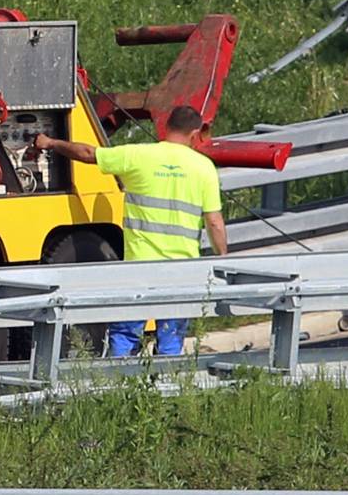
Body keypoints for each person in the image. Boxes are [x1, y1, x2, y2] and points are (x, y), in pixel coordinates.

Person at [45, 102, 226, 359]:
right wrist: (223, 259)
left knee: (126, 332)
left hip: (139, 267)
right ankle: (167, 384)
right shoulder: (203, 167)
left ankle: (119, 384)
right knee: (171, 335)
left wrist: (51, 143)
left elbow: (87, 153)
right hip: (181, 269)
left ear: (165, 127)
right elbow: (215, 222)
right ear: (195, 134)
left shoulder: (138, 156)